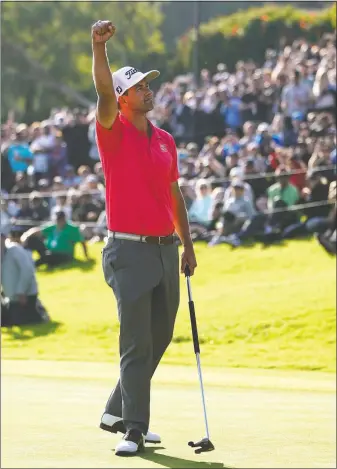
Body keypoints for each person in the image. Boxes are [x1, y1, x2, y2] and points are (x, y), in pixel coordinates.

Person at [91, 20, 197, 456]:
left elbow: (174, 195)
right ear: (122, 98)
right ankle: (134, 427)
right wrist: (99, 47)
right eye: (139, 88)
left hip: (163, 250)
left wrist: (187, 245)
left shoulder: (166, 140)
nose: (149, 91)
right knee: (135, 341)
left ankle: (119, 410)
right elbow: (101, 90)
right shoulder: (111, 131)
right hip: (127, 250)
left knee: (159, 336)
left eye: (149, 85)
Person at [1, 228, 46, 327]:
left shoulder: (15, 250)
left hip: (25, 296)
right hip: (12, 298)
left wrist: (21, 292)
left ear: (4, 238)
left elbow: (27, 271)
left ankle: (40, 312)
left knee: (21, 321)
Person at [21, 210, 89, 268]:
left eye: (61, 220)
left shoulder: (72, 229)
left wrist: (86, 256)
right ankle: (23, 258)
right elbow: (37, 230)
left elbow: (82, 242)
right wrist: (26, 236)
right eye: (58, 220)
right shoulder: (53, 226)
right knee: (32, 240)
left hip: (64, 255)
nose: (59, 222)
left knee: (47, 257)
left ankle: (29, 266)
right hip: (50, 251)